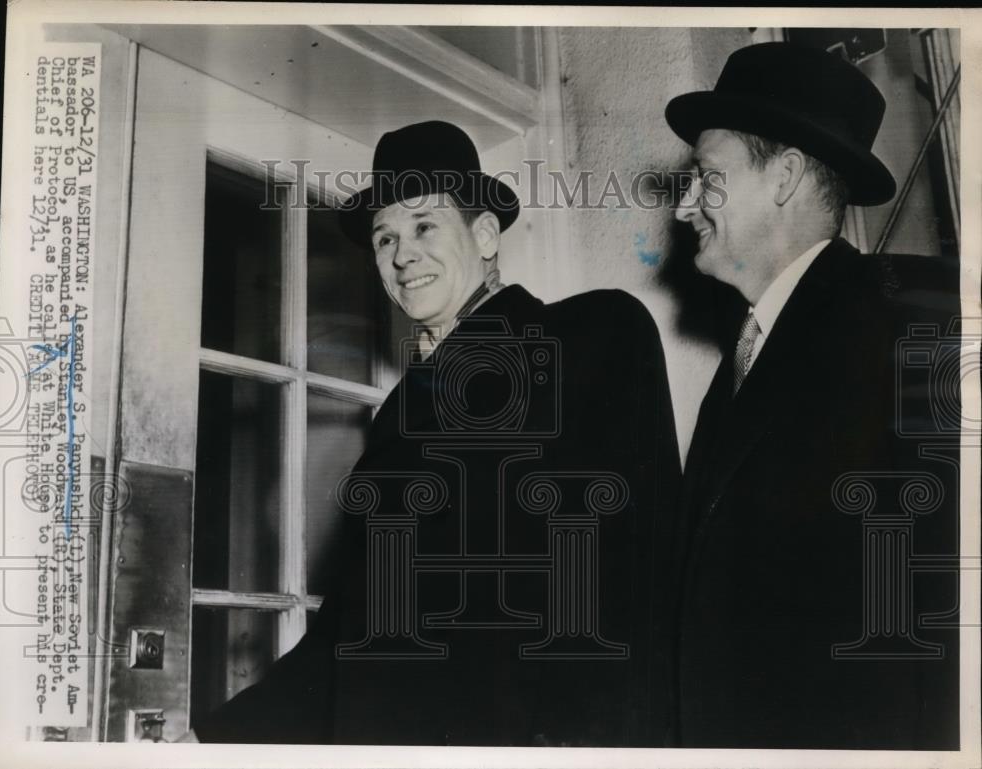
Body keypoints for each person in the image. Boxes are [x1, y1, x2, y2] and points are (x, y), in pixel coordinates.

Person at [189, 120, 682, 745]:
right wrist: (209, 741)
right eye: (384, 238)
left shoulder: (588, 336)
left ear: (482, 234)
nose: (401, 255)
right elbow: (351, 639)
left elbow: (638, 579)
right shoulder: (399, 415)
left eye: (424, 226)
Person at [663, 42, 960, 749]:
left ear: (786, 177)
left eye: (707, 177)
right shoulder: (747, 354)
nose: (682, 208)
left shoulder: (909, 328)